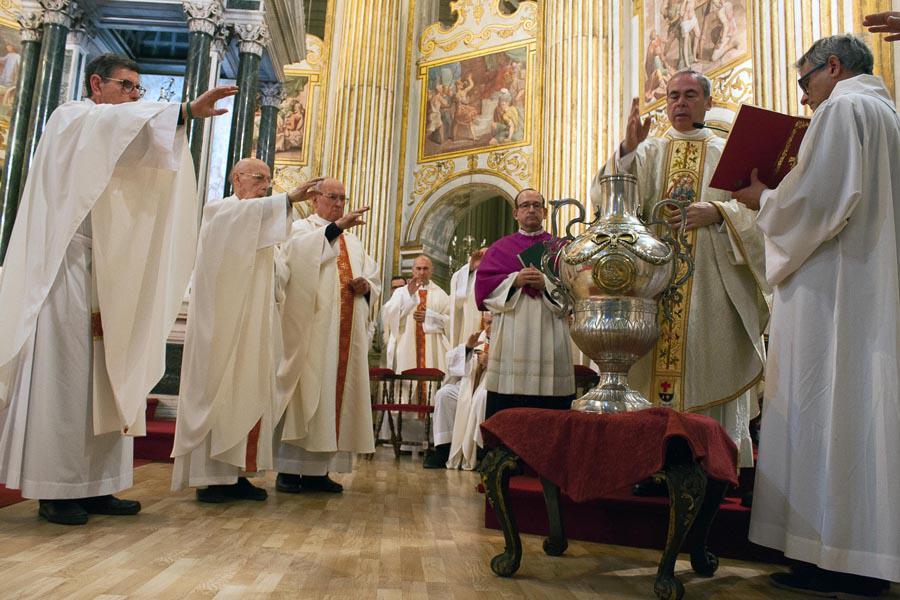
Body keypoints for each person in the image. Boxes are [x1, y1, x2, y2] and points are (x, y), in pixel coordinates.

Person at [0, 53, 236, 524]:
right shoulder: (71, 119)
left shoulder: (111, 127)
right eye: (127, 87)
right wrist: (185, 111)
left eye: (138, 90)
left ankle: (99, 484)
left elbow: (143, 154)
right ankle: (58, 488)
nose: (134, 97)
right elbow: (115, 133)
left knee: (110, 378)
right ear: (96, 83)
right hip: (66, 267)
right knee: (66, 381)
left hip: (109, 268)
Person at [732, 34, 900, 597]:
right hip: (869, 287)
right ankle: (860, 551)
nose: (805, 99)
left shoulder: (844, 107)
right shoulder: (887, 114)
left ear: (832, 68)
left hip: (833, 290)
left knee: (823, 409)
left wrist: (765, 200)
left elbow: (819, 201)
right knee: (860, 418)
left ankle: (831, 556)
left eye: (805, 83)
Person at [594, 70, 769, 476]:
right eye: (673, 96)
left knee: (710, 362)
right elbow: (609, 199)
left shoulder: (728, 152)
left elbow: (761, 214)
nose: (680, 103)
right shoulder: (649, 152)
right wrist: (626, 149)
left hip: (711, 285)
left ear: (708, 102)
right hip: (657, 286)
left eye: (690, 95)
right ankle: (648, 464)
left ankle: (711, 466)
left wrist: (719, 211)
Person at [170, 161, 319, 502]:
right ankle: (210, 478)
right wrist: (287, 200)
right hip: (222, 326)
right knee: (221, 392)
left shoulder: (262, 225)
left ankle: (238, 474)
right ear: (236, 178)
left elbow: (280, 272)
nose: (266, 186)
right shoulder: (219, 211)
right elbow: (238, 226)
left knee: (250, 390)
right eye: (259, 179)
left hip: (255, 326)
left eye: (269, 180)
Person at [274, 178, 379, 494]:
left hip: (345, 334)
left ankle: (320, 471)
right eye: (332, 197)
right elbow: (294, 259)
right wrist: (334, 230)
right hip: (311, 331)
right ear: (314, 199)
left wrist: (368, 288)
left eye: (343, 198)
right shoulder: (300, 230)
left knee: (336, 398)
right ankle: (289, 470)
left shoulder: (355, 243)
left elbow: (373, 277)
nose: (338, 204)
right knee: (306, 393)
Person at [474, 189, 575, 419]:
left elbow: (575, 290)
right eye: (525, 205)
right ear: (515, 213)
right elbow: (483, 291)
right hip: (512, 331)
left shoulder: (559, 248)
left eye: (536, 205)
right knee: (509, 411)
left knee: (551, 415)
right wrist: (514, 281)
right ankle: (505, 456)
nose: (531, 210)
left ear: (545, 212)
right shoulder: (499, 249)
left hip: (550, 330)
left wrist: (547, 284)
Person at [382, 255, 451, 373]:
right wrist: (409, 295)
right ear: (413, 270)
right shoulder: (401, 292)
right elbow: (388, 315)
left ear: (431, 270)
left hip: (433, 349)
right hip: (406, 344)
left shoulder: (441, 294)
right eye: (418, 268)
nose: (422, 272)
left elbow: (450, 322)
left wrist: (429, 317)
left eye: (425, 268)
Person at [446, 314, 491, 470]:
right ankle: (443, 448)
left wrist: (489, 362)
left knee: (480, 399)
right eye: (486, 322)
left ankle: (478, 453)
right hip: (469, 385)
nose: (488, 327)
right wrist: (468, 348)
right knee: (444, 395)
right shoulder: (480, 337)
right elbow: (451, 362)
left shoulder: (505, 339)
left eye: (492, 323)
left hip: (488, 385)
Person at [381, 275, 407, 370]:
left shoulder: (412, 306)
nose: (397, 290)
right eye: (394, 287)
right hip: (387, 352)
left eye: (400, 287)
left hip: (406, 350)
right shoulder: (384, 308)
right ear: (391, 290)